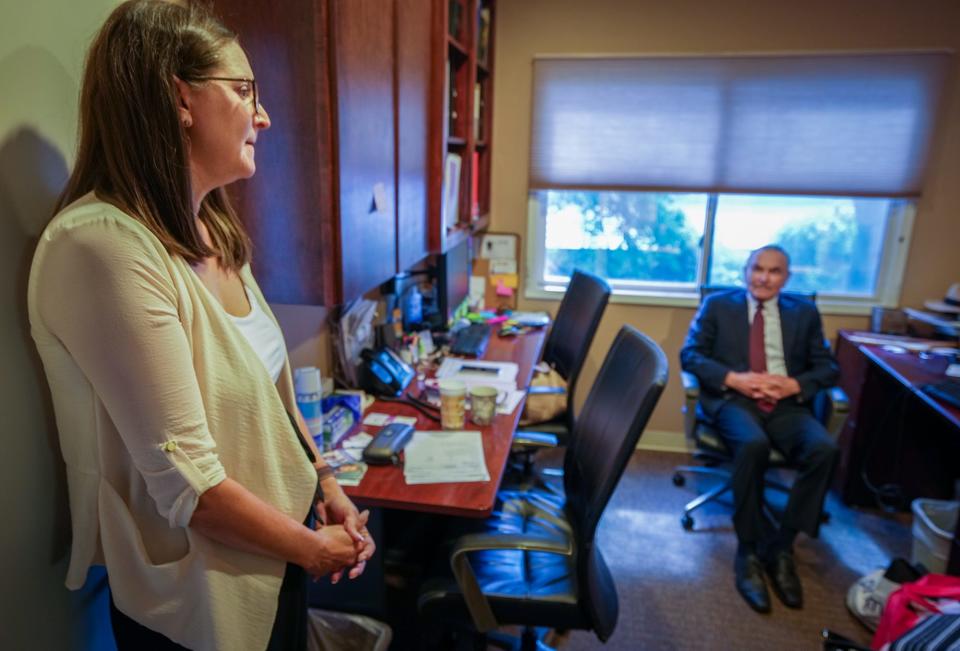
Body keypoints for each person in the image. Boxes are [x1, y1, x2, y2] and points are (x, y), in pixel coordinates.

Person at [27, 2, 375, 649]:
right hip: (203, 593)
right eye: (245, 91)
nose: (263, 116)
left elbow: (273, 392)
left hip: (276, 550)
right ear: (179, 98)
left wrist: (327, 485)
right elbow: (194, 489)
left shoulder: (210, 226)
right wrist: (310, 548)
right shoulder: (102, 247)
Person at [679, 245, 839, 614]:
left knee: (824, 450)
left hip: (786, 404)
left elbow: (828, 369)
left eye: (774, 271)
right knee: (752, 444)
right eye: (757, 269)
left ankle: (780, 548)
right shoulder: (719, 305)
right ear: (745, 271)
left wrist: (793, 386)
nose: (764, 278)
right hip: (736, 400)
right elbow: (691, 355)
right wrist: (734, 379)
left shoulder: (805, 312)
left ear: (787, 277)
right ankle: (748, 551)